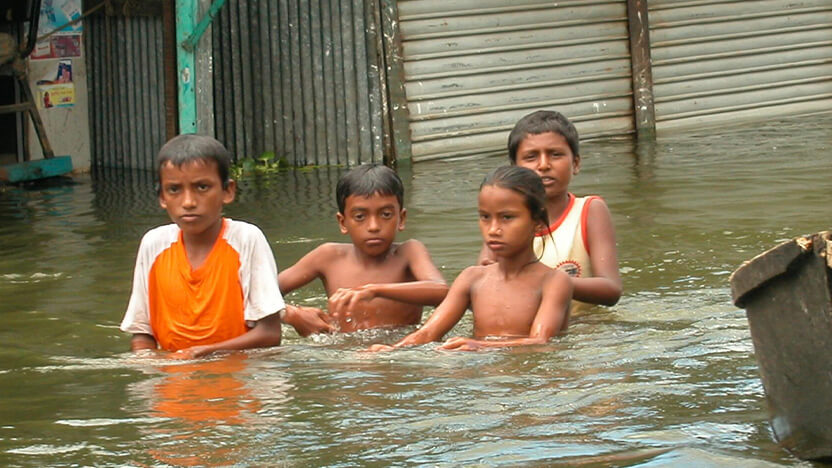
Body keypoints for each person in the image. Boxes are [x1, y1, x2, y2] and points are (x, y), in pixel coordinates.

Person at [369, 166, 573, 352]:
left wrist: (480, 345)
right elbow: (428, 334)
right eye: (485, 217)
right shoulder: (472, 278)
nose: (493, 229)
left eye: (507, 217)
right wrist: (391, 351)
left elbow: (541, 342)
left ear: (537, 222)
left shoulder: (554, 281)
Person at [120, 134, 285, 359]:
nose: (188, 202)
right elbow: (142, 333)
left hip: (240, 380)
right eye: (174, 190)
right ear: (162, 197)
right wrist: (151, 366)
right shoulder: (153, 244)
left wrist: (203, 353)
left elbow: (270, 334)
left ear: (228, 191)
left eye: (202, 187)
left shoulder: (246, 239)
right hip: (173, 382)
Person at [278, 163, 449, 334]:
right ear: (343, 222)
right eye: (360, 217)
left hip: (399, 351)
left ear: (401, 218)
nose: (374, 226)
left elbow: (441, 291)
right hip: (344, 355)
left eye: (386, 215)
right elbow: (260, 291)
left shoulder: (409, 252)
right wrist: (292, 314)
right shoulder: (327, 256)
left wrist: (375, 290)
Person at [479, 110, 622, 313]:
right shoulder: (500, 220)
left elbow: (611, 289)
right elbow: (482, 288)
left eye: (555, 154)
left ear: (576, 163)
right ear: (514, 170)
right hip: (523, 333)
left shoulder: (589, 211)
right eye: (531, 157)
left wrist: (545, 280)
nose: (544, 165)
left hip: (583, 332)